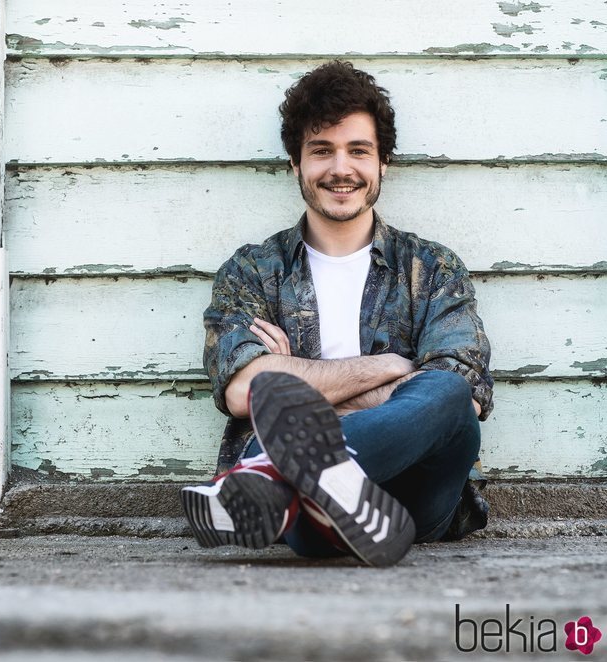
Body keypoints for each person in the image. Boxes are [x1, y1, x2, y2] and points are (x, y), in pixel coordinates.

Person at [179, 61, 493, 567]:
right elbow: (243, 391)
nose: (340, 168)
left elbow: (462, 391)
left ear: (383, 162)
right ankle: (304, 488)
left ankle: (271, 473)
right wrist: (396, 368)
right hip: (307, 517)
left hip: (417, 496)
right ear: (295, 164)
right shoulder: (254, 270)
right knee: (313, 499)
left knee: (448, 393)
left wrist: (304, 390)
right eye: (321, 150)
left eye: (358, 151)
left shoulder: (431, 267)